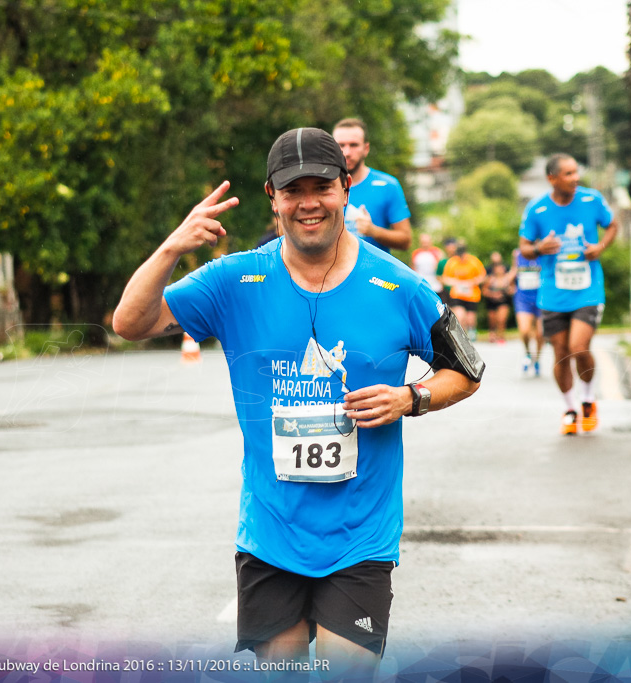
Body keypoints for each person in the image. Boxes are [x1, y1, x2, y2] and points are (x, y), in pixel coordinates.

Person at [112, 127, 482, 679]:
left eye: (322, 186)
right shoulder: (235, 279)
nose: (308, 202)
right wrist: (171, 248)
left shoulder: (398, 286)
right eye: (293, 189)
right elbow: (130, 324)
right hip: (269, 534)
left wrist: (412, 397)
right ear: (273, 197)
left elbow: (467, 370)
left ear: (347, 188)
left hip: (361, 539)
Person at [519, 154, 618, 435]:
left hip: (588, 289)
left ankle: (588, 399)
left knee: (579, 347)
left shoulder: (592, 200)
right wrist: (539, 248)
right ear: (552, 178)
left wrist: (600, 247)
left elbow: (612, 225)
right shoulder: (536, 209)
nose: (576, 178)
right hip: (553, 293)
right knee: (561, 355)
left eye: (576, 173)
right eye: (568, 174)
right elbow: (524, 247)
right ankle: (569, 408)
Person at [332, 118, 412, 253]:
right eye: (341, 145)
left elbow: (406, 240)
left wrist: (373, 231)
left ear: (366, 148)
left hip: (374, 273)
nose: (347, 152)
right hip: (330, 273)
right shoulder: (321, 188)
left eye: (354, 145)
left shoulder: (388, 186)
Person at [441, 241, 487, 341]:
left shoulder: (473, 261)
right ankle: (462, 336)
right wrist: (455, 282)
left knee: (470, 319)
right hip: (458, 294)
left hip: (472, 294)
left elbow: (483, 276)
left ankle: (472, 330)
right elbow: (445, 278)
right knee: (460, 316)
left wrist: (473, 282)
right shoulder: (452, 262)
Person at [510, 247, 545, 376]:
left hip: (541, 298)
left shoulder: (544, 253)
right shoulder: (518, 253)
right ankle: (528, 353)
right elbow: (514, 271)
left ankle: (537, 359)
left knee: (541, 334)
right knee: (524, 331)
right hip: (523, 298)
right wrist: (507, 281)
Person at [482, 262, 513, 344]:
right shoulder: (490, 279)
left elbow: (513, 288)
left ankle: (501, 335)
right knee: (492, 320)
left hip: (504, 301)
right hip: (491, 302)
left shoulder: (507, 279)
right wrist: (493, 295)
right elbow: (484, 291)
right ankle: (492, 334)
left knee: (502, 319)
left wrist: (509, 291)